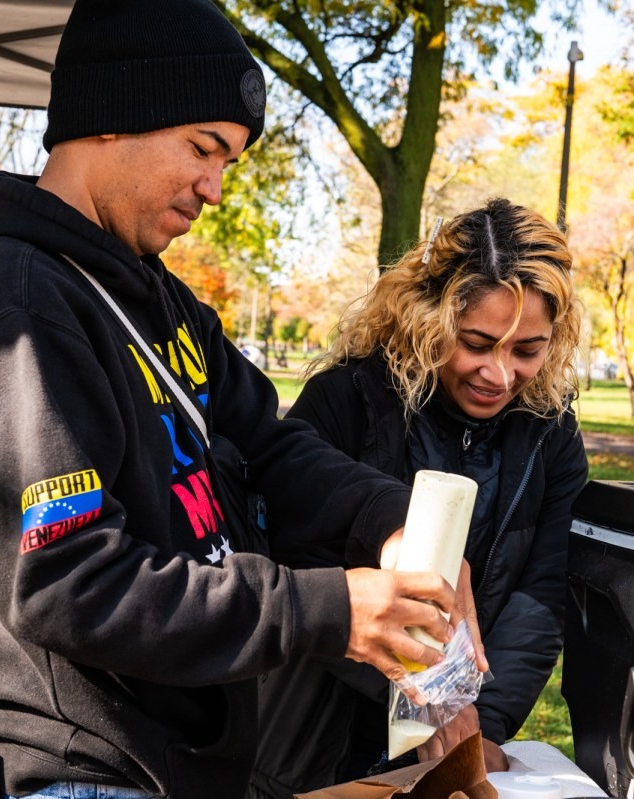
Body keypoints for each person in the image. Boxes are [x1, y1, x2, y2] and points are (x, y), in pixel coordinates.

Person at [0, 2, 481, 797]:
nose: (213, 189)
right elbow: (67, 579)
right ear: (115, 114)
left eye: (229, 162)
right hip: (76, 769)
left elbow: (270, 446)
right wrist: (327, 609)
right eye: (202, 149)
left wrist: (391, 525)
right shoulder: (18, 305)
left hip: (180, 761)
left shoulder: (163, 302)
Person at [250, 199, 589, 798]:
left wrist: (486, 720)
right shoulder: (347, 399)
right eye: (477, 343)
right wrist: (429, 696)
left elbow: (541, 595)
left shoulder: (551, 436)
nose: (499, 374)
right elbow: (296, 553)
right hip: (313, 734)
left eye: (526, 351)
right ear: (430, 318)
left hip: (457, 741)